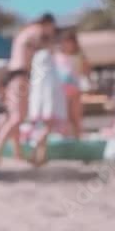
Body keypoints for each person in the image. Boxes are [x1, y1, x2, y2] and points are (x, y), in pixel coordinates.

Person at [0, 13, 57, 164]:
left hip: (13, 75)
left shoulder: (25, 32)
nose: (52, 31)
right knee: (17, 117)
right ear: (48, 24)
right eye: (52, 28)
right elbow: (44, 48)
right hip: (20, 76)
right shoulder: (37, 30)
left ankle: (17, 153)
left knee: (15, 116)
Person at [27, 36, 68, 166]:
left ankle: (40, 156)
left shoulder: (37, 57)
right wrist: (50, 106)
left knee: (41, 129)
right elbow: (48, 83)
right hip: (47, 102)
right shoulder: (46, 56)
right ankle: (35, 153)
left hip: (38, 102)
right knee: (46, 129)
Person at [54, 31, 89, 139]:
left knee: (75, 116)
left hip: (74, 89)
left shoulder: (79, 56)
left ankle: (78, 136)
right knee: (63, 117)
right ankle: (65, 137)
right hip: (61, 90)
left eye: (69, 42)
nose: (67, 45)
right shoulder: (57, 56)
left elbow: (86, 71)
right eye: (64, 42)